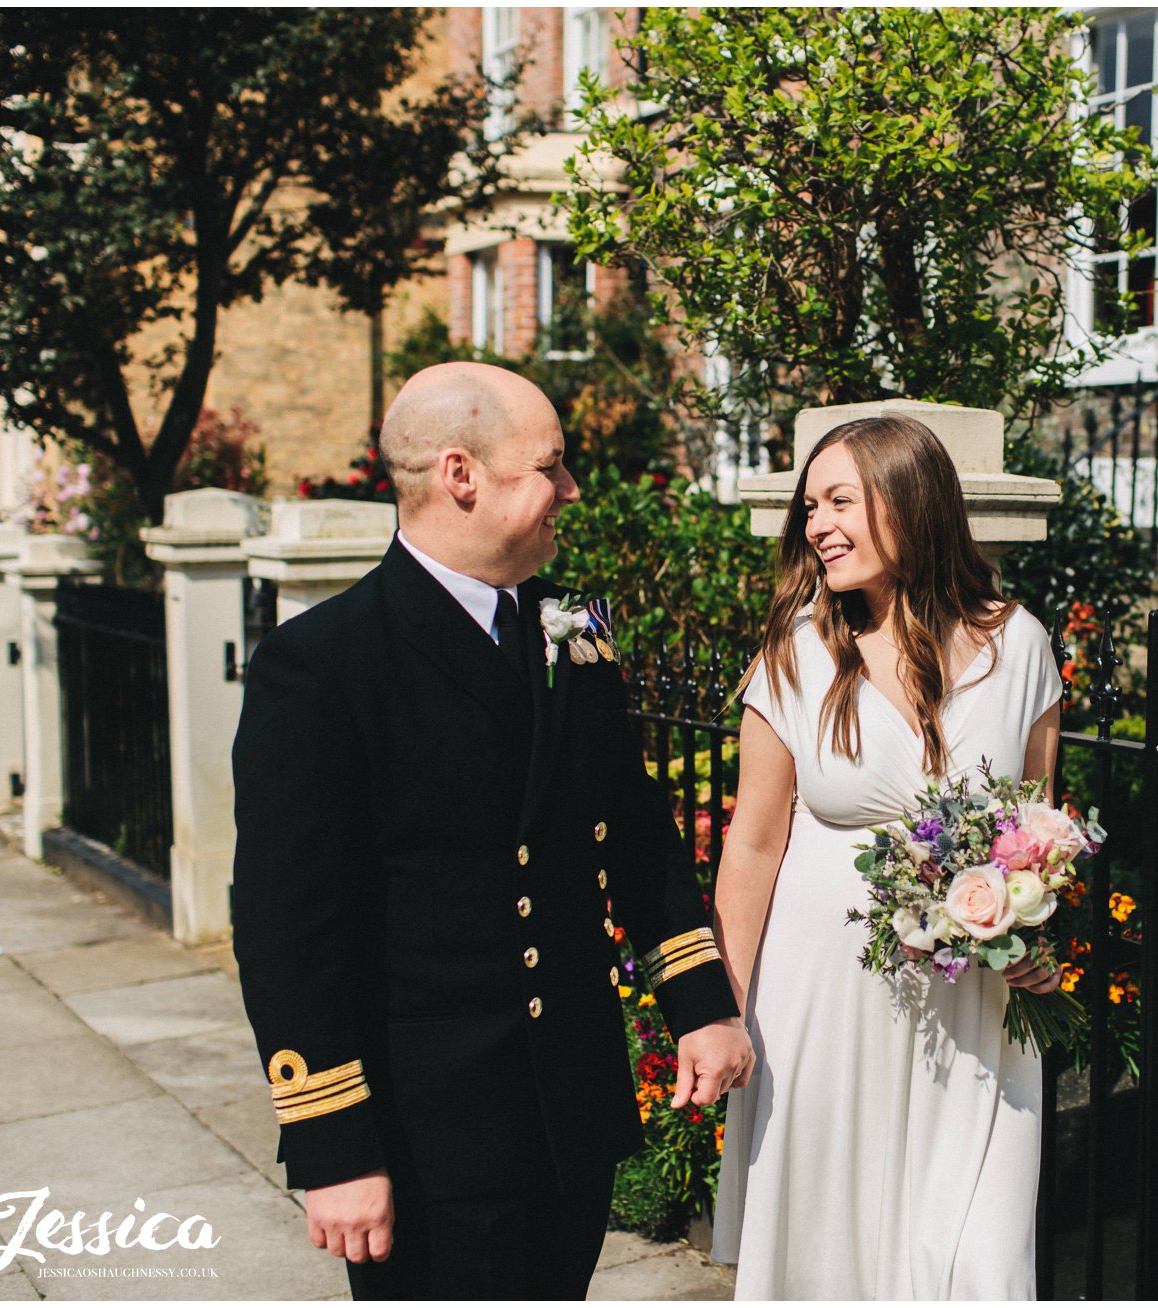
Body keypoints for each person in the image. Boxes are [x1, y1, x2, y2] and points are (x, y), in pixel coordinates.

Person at [229, 362, 755, 1300]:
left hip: (570, 1112)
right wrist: (333, 1147)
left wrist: (700, 1003)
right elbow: (288, 932)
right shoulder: (321, 665)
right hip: (428, 1134)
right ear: (462, 474)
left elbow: (634, 837)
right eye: (550, 466)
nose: (572, 488)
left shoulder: (572, 633)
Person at [708, 415, 1066, 1298]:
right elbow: (751, 848)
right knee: (832, 1252)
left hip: (973, 1007)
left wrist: (1039, 939)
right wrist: (725, 1011)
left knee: (977, 1259)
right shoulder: (795, 654)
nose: (817, 525)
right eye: (809, 508)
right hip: (820, 1003)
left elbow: (1038, 828)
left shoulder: (1019, 646)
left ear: (911, 499)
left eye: (839, 500)